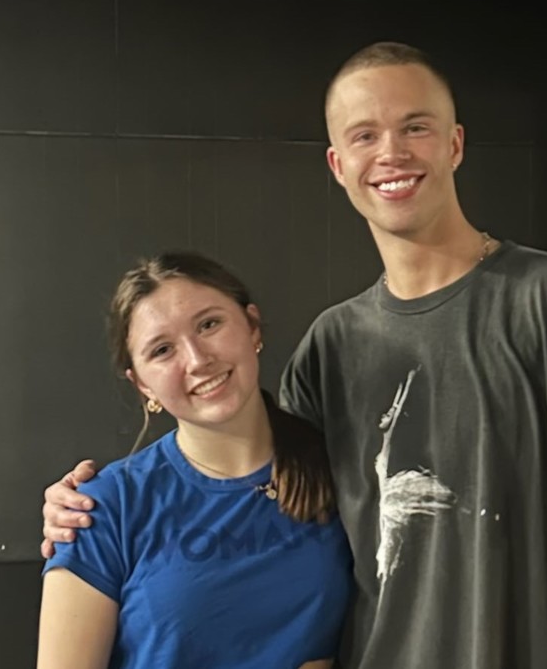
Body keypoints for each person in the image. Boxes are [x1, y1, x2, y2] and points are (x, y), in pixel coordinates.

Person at [41, 42, 547, 668]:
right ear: (337, 164)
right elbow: (250, 497)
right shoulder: (332, 347)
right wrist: (88, 515)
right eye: (364, 135)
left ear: (455, 142)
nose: (392, 153)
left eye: (415, 127)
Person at [36, 252, 352, 669]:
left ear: (252, 326)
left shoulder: (342, 472)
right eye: (163, 349)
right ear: (142, 384)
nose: (198, 359)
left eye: (209, 324)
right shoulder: (102, 506)